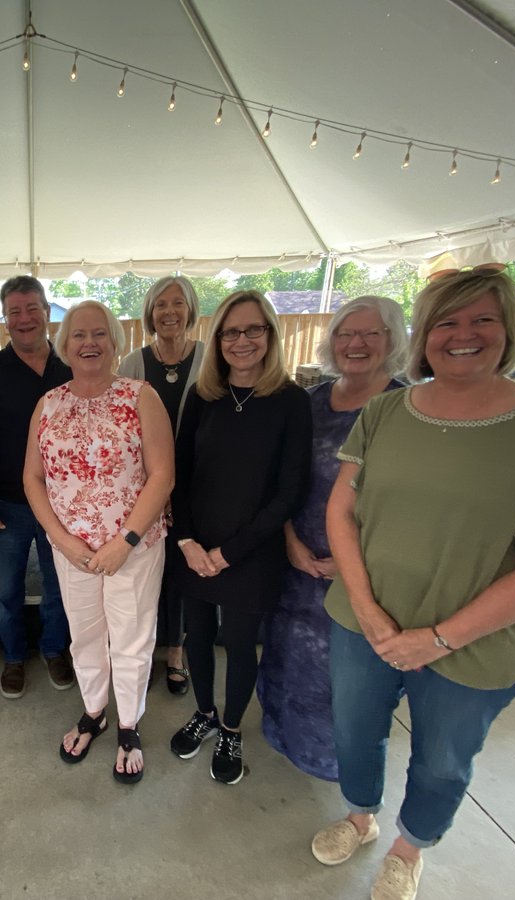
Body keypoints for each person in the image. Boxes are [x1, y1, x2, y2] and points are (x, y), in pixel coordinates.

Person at [311, 266, 515, 900]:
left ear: (511, 330)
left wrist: (438, 640)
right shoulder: (387, 411)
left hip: (475, 640)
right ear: (424, 335)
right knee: (353, 730)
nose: (462, 334)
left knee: (445, 757)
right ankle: (361, 818)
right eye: (447, 321)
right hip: (366, 620)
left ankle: (409, 846)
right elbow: (342, 510)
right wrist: (364, 607)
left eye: (482, 320)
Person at [23, 301, 174, 784]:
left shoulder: (141, 396)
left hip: (134, 548)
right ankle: (94, 712)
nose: (89, 343)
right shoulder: (47, 404)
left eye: (100, 334)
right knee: (85, 635)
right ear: (63, 345)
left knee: (131, 639)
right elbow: (32, 478)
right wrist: (61, 540)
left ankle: (128, 724)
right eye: (78, 335)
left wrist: (125, 541)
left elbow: (162, 476)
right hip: (73, 552)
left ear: (114, 343)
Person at [257, 296, 407, 780]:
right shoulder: (312, 401)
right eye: (345, 334)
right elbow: (281, 479)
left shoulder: (406, 408)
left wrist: (355, 562)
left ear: (392, 342)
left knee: (343, 675)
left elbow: (410, 502)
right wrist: (289, 541)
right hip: (297, 558)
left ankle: (334, 763)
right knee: (286, 653)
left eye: (370, 334)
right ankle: (282, 737)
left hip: (366, 569)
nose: (355, 344)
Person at [167, 290, 312, 785]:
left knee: (241, 641)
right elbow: (178, 475)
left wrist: (229, 553)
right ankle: (205, 712)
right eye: (231, 331)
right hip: (195, 546)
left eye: (254, 329)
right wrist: (186, 541)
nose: (242, 340)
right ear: (218, 339)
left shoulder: (291, 401)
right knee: (199, 635)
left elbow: (290, 490)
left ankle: (231, 727)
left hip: (250, 551)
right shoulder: (203, 397)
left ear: (271, 335)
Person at [0, 276, 74, 699]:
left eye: (32, 309)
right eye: (15, 311)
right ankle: (12, 657)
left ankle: (53, 650)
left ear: (47, 313)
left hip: (62, 506)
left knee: (58, 586)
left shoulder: (70, 367)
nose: (24, 318)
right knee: (6, 591)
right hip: (5, 504)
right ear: (4, 319)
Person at [119, 275, 205, 695]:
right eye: (160, 305)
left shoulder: (210, 358)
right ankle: (146, 648)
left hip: (197, 484)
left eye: (178, 304)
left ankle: (177, 650)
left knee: (181, 572)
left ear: (190, 309)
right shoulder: (133, 364)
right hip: (146, 489)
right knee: (145, 572)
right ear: (149, 314)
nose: (169, 312)